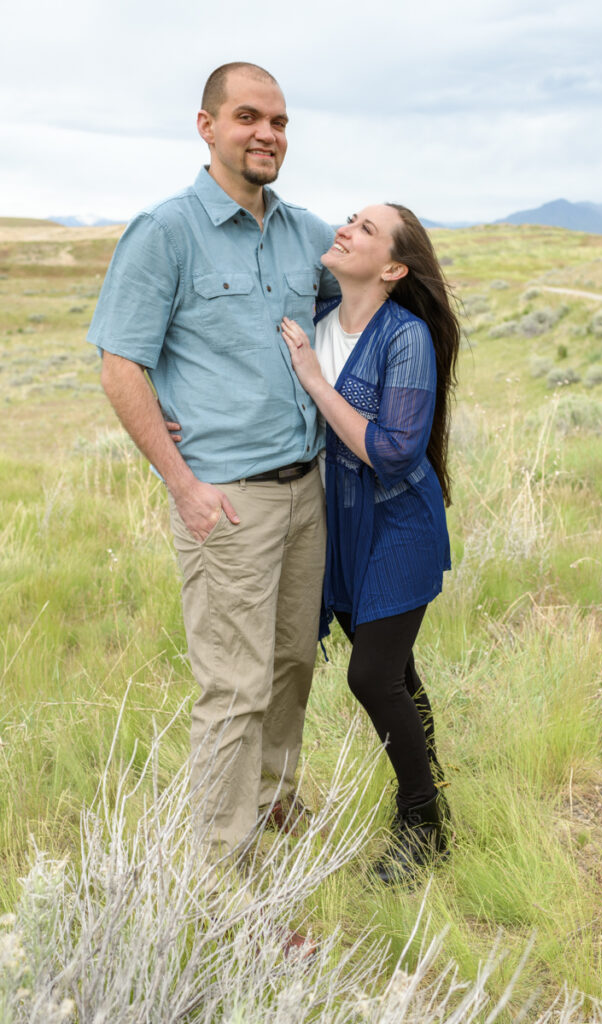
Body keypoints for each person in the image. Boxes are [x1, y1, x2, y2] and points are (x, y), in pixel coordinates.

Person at [87, 63, 339, 888]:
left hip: (308, 491)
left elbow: (362, 300)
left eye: (279, 120)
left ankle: (272, 804)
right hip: (225, 498)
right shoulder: (164, 232)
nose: (267, 133)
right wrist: (182, 484)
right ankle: (224, 879)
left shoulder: (306, 233)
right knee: (233, 687)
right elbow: (120, 364)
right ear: (206, 126)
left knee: (293, 666)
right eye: (247, 117)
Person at [280, 203, 460, 885]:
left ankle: (422, 825)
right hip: (340, 529)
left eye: (365, 228)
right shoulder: (318, 319)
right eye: (349, 217)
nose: (345, 228)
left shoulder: (403, 335)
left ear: (391, 267)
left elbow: (392, 451)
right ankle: (432, 789)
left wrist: (316, 383)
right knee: (398, 673)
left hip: (398, 525)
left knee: (371, 676)